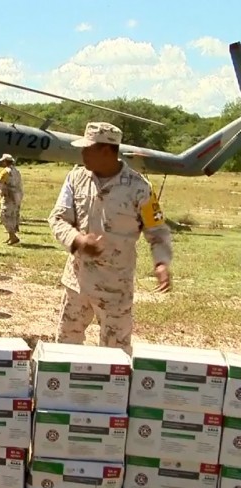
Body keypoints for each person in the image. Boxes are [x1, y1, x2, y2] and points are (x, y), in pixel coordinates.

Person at [48, 121, 173, 355]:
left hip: (115, 286)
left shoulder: (139, 188)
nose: (82, 152)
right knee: (66, 347)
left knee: (116, 353)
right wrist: (77, 240)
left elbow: (157, 230)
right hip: (78, 282)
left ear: (106, 150)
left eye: (88, 148)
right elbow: (57, 218)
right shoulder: (76, 178)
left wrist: (161, 262)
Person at [0, 153, 23, 245]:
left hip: (8, 196)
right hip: (17, 196)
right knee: (13, 216)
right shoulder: (16, 171)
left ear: (5, 162)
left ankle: (13, 237)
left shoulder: (5, 172)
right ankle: (11, 236)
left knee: (5, 215)